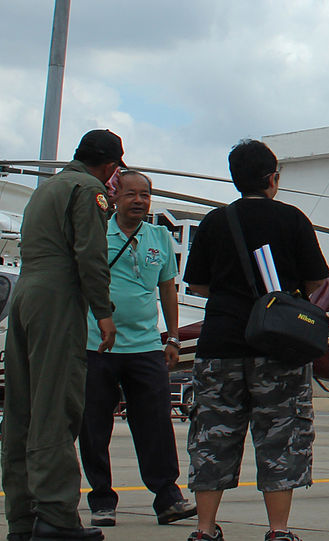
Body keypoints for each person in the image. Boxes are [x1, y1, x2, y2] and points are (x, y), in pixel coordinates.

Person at [182, 140, 329, 541]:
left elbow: (197, 283)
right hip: (280, 347)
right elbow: (318, 279)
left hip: (220, 343)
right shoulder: (293, 219)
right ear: (272, 178)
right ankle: (278, 530)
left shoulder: (215, 221)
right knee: (281, 435)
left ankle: (204, 529)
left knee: (213, 434)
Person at [3, 129, 121, 541]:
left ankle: (22, 517)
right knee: (56, 406)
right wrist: (103, 312)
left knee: (22, 409)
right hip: (57, 298)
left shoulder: (47, 188)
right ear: (110, 167)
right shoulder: (88, 189)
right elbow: (90, 253)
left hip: (24, 295)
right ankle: (55, 516)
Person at [78, 169, 198, 528]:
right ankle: (101, 498)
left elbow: (167, 290)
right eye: (131, 194)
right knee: (93, 425)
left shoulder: (160, 236)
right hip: (96, 346)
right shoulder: (97, 233)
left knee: (155, 423)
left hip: (145, 347)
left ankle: (167, 497)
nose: (139, 201)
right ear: (114, 198)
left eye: (145, 195)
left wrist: (173, 337)